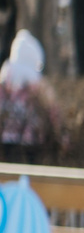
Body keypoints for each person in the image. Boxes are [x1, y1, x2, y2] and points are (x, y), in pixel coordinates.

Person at [0, 30, 59, 163]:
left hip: (7, 140)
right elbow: (53, 110)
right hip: (32, 141)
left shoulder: (4, 84)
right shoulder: (39, 87)